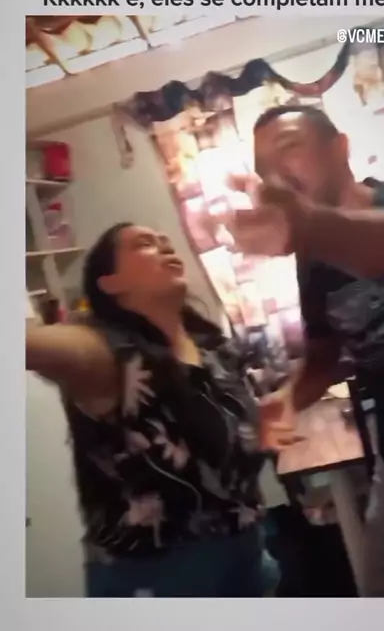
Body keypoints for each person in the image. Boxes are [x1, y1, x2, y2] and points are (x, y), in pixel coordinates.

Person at [224, 104, 384, 597]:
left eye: (289, 149)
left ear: (340, 148)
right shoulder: (313, 259)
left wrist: (308, 224)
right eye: (263, 168)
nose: (276, 176)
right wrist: (289, 398)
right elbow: (323, 355)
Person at [26, 223, 295, 598]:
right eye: (145, 244)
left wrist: (257, 429)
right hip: (161, 578)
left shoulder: (208, 344)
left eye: (165, 242)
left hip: (247, 554)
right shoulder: (106, 352)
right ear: (110, 283)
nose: (165, 246)